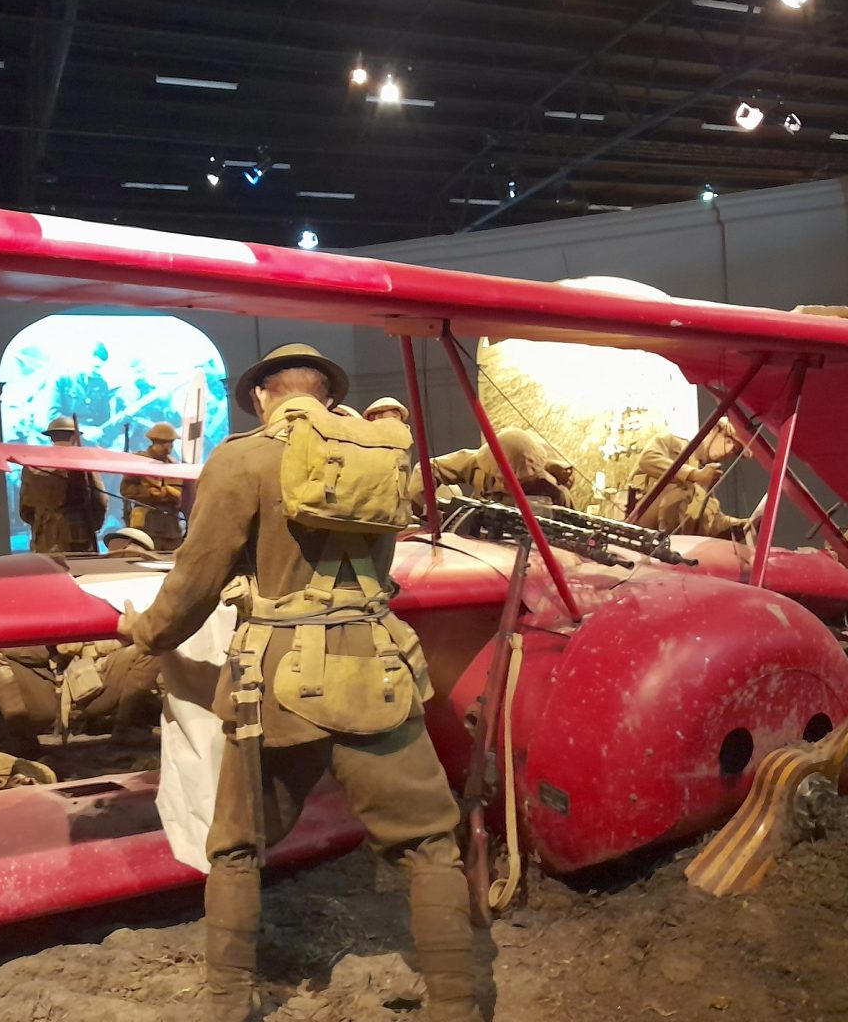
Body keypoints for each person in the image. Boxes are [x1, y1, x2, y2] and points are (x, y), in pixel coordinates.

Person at [122, 343, 478, 1022]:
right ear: (326, 394)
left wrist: (146, 635)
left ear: (262, 396)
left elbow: (195, 579)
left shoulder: (243, 458)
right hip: (376, 669)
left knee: (236, 848)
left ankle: (228, 1005)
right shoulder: (379, 451)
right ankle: (457, 1006)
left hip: (276, 684)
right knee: (431, 846)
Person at [0, 639, 161, 755]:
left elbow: (43, 651)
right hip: (18, 706)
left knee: (151, 648)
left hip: (69, 690)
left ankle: (127, 729)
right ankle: (21, 736)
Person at [627, 419, 750, 537]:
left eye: (735, 450)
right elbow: (648, 459)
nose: (728, 451)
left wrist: (746, 525)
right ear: (713, 430)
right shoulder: (671, 443)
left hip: (677, 544)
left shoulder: (707, 480)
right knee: (683, 487)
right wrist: (694, 475)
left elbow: (714, 522)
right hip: (638, 526)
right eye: (727, 441)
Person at [18, 415, 106, 554]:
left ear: (51, 437)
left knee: (48, 567)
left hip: (44, 533)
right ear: (74, 436)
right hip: (78, 532)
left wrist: (39, 521)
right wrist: (92, 524)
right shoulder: (83, 461)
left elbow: (25, 507)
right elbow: (100, 499)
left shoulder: (32, 464)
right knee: (81, 566)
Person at [431, 426, 573, 507]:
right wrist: (428, 515)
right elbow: (428, 469)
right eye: (499, 478)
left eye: (516, 481)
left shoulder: (554, 492)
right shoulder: (478, 463)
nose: (504, 485)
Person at [120, 421, 186, 551]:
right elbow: (126, 490)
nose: (170, 447)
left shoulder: (173, 464)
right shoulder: (139, 462)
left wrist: (169, 493)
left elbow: (179, 491)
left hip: (171, 527)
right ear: (157, 443)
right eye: (168, 443)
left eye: (171, 443)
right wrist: (149, 492)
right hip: (147, 525)